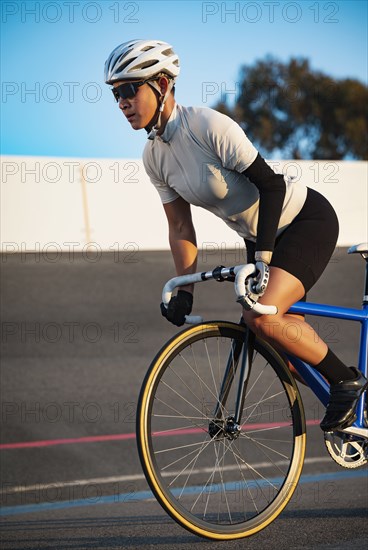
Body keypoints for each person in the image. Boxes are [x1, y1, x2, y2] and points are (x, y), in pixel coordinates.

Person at [104, 39, 367, 432]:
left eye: (128, 89)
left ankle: (346, 380)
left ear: (161, 84)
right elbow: (180, 227)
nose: (121, 102)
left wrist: (262, 259)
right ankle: (350, 406)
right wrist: (185, 290)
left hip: (302, 220)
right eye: (115, 94)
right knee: (283, 346)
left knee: (260, 315)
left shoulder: (208, 126)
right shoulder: (154, 156)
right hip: (258, 236)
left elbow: (272, 187)